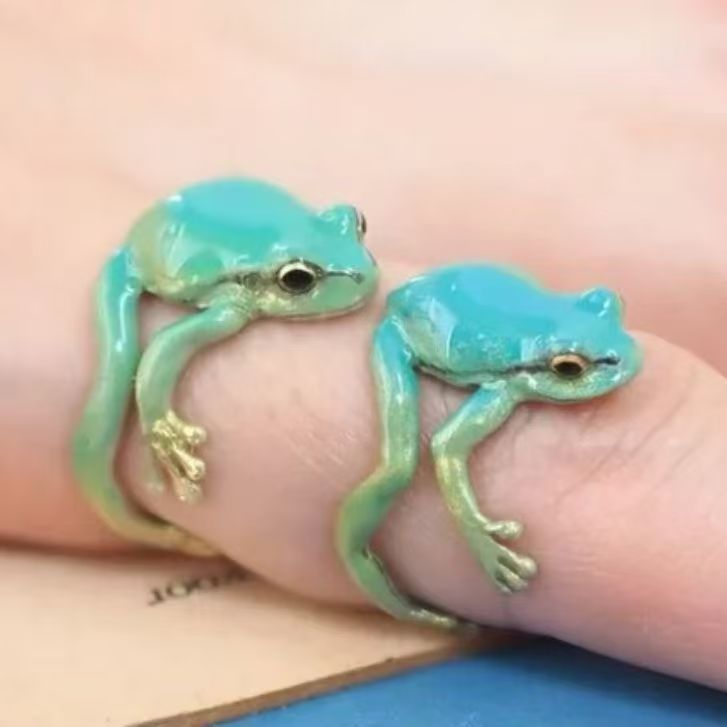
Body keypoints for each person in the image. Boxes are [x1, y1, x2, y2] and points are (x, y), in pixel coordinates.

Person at [1, 1, 725, 691]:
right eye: (298, 282)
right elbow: (164, 349)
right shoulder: (221, 306)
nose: (357, 278)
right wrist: (159, 419)